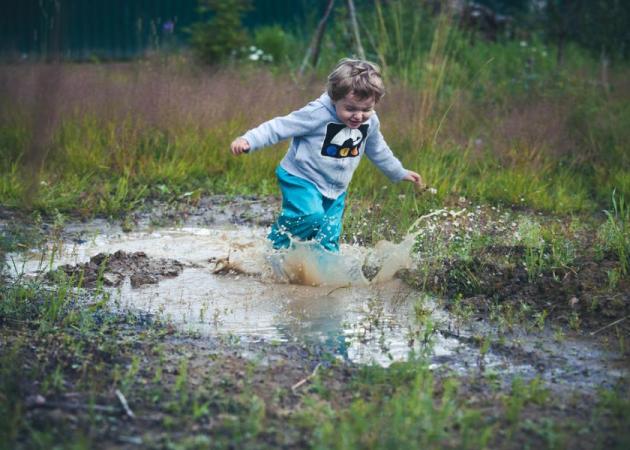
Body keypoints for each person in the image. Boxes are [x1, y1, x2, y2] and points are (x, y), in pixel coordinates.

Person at [230, 58, 423, 254]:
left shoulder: (370, 121)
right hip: (301, 177)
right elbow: (280, 126)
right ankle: (275, 247)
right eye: (350, 109)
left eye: (366, 109)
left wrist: (398, 172)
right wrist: (249, 140)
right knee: (310, 216)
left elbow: (378, 149)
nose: (358, 116)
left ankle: (323, 275)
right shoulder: (318, 112)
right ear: (334, 98)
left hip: (336, 188)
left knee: (328, 238)